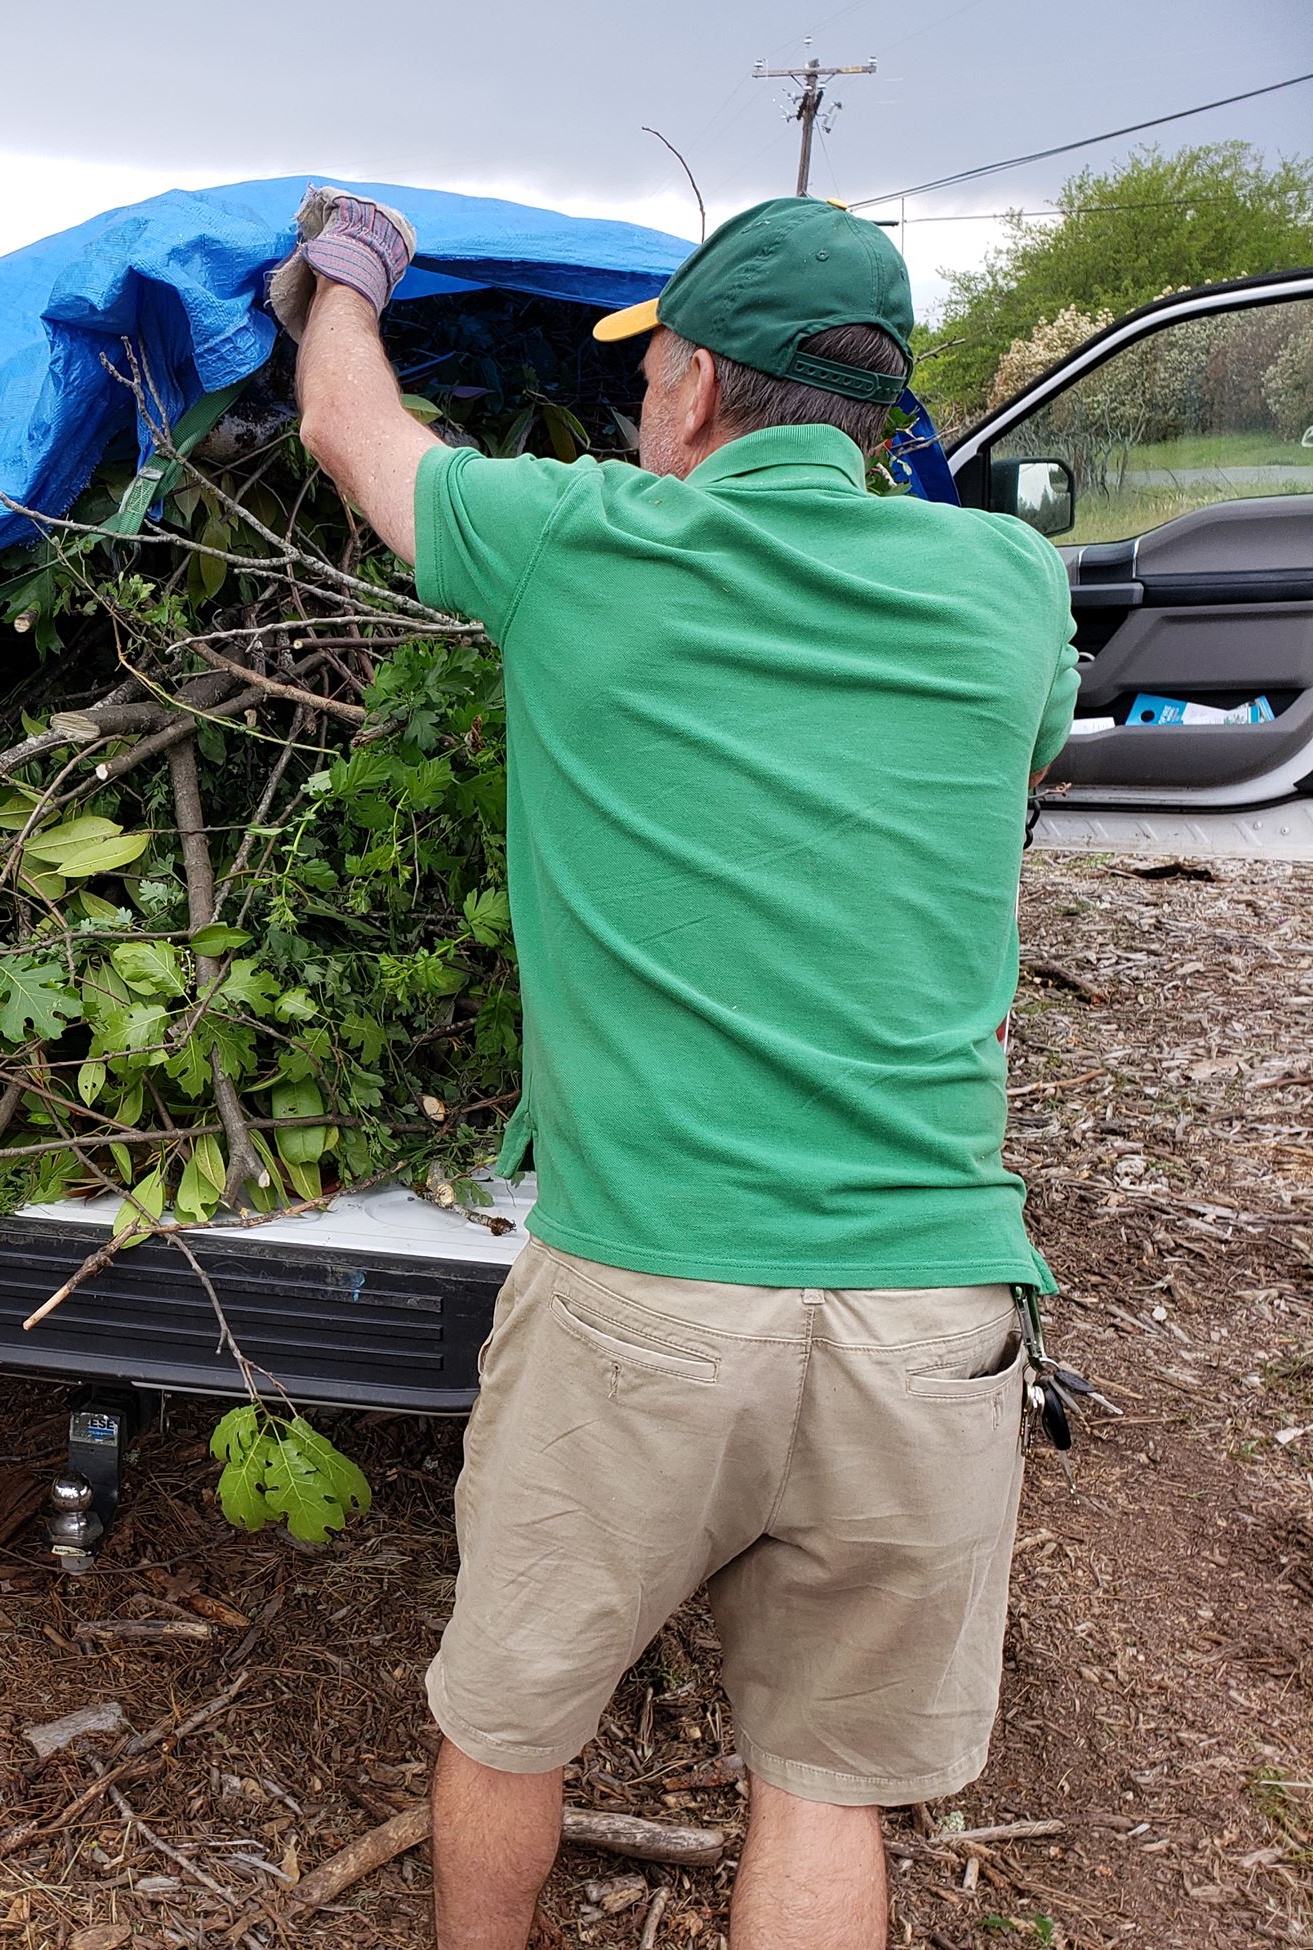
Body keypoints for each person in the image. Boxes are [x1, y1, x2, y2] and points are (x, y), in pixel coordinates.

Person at [276, 193, 1078, 1948]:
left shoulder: (584, 543)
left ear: (699, 382)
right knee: (822, 1781)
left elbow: (352, 425)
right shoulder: (1010, 585)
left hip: (649, 1289)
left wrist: (347, 268)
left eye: (649, 375)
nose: (638, 408)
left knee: (508, 1724)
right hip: (928, 1305)